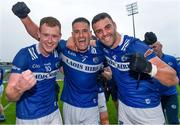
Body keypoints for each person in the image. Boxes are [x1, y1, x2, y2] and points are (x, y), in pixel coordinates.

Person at [11, 2, 110, 125]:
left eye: (85, 31)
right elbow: (42, 35)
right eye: (77, 32)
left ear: (90, 33)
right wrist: (24, 17)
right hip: (69, 105)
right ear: (72, 34)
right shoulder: (63, 47)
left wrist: (106, 75)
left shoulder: (101, 51)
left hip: (92, 105)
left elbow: (112, 53)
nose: (81, 35)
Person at [91, 12, 179, 124]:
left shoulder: (135, 46)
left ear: (114, 25)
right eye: (99, 31)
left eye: (107, 27)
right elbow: (90, 42)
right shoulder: (102, 44)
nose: (104, 34)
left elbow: (173, 78)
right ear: (96, 34)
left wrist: (149, 68)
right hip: (124, 107)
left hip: (148, 110)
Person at [5, 16, 63, 125]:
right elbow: (9, 95)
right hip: (29, 118)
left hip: (54, 112)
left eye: (54, 36)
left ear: (59, 37)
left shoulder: (58, 53)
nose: (50, 40)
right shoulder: (25, 55)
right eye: (46, 35)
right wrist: (20, 88)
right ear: (39, 34)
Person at [143, 32, 179, 124]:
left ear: (161, 46)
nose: (152, 49)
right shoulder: (149, 61)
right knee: (158, 122)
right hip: (156, 96)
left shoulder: (171, 59)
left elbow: (178, 76)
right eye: (150, 48)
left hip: (170, 95)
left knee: (173, 121)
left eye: (154, 47)